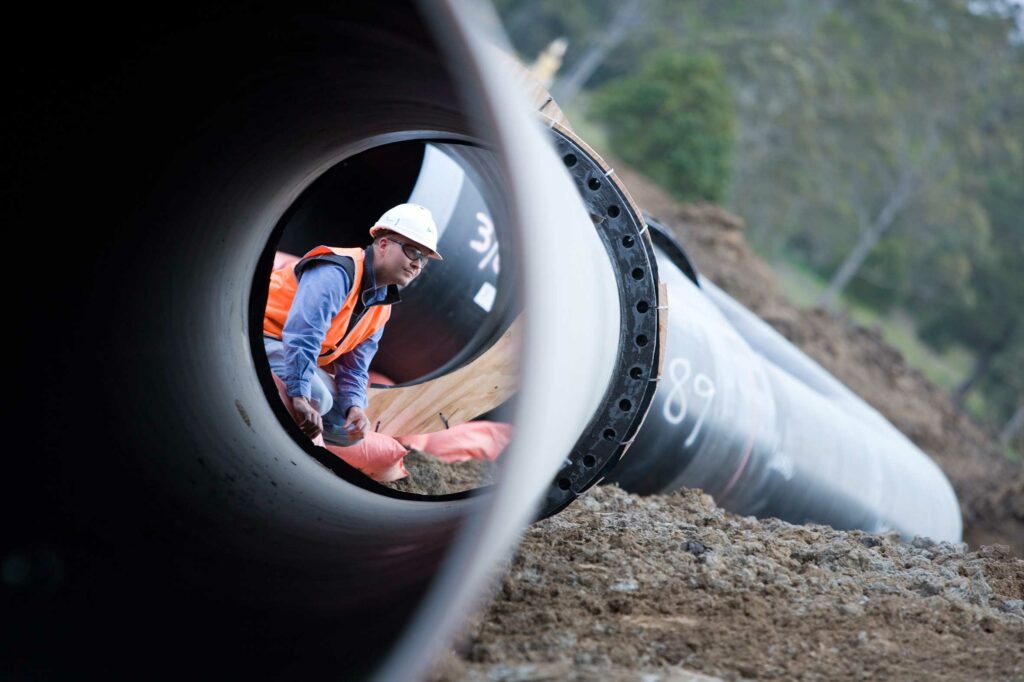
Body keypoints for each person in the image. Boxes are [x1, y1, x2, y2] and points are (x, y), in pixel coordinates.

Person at [263, 203, 443, 445]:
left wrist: (355, 406)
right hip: (262, 336)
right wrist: (299, 394)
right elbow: (302, 335)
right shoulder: (336, 272)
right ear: (383, 244)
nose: (417, 264)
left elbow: (355, 367)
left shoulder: (381, 305)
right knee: (317, 398)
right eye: (413, 251)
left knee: (347, 428)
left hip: (288, 351)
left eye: (424, 259)